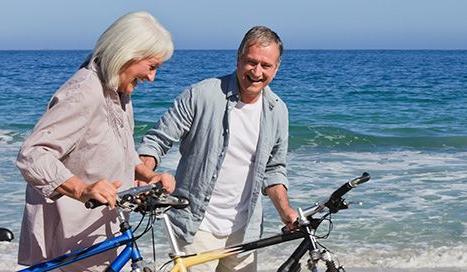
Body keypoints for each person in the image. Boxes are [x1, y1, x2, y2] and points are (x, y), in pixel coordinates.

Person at [16, 11, 175, 271]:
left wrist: (147, 175)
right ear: (126, 54)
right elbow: (33, 155)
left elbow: (120, 150)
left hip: (103, 232)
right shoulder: (85, 90)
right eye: (152, 66)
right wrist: (82, 190)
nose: (152, 77)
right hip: (71, 240)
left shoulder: (118, 91)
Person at [137, 26, 297, 272]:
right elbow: (158, 140)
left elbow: (274, 170)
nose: (256, 72)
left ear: (276, 68)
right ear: (238, 58)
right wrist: (144, 175)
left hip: (245, 231)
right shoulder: (202, 94)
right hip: (196, 227)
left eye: (266, 65)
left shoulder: (278, 111)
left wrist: (285, 211)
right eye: (250, 62)